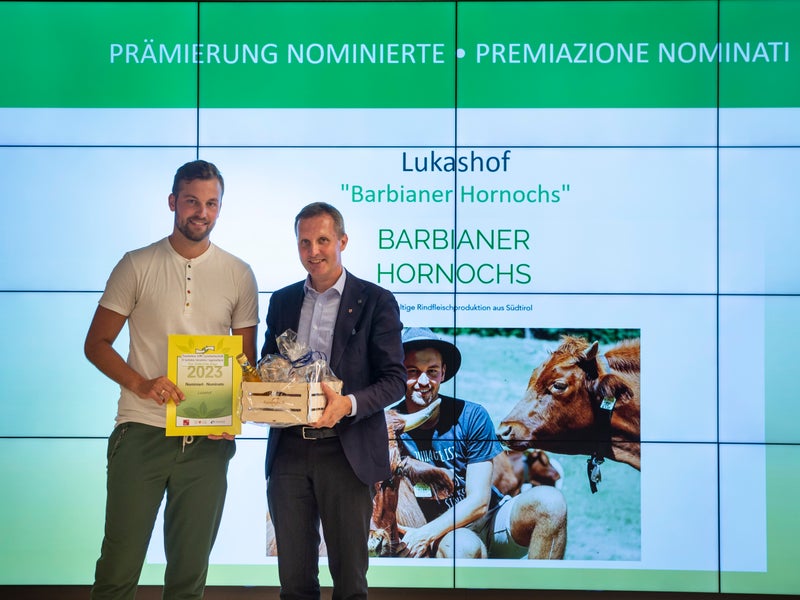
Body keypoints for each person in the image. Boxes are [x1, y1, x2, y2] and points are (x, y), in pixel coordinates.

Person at [84, 159, 259, 599]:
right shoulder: (136, 264)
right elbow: (96, 344)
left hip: (207, 442)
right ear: (172, 202)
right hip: (141, 431)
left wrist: (232, 415)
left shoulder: (239, 273)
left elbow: (246, 365)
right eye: (192, 202)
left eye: (212, 203)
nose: (202, 212)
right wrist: (142, 384)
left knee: (189, 577)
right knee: (117, 570)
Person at [261, 202, 406, 600]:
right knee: (294, 584)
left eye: (323, 240)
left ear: (343, 241)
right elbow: (267, 367)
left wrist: (348, 404)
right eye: (304, 242)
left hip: (347, 453)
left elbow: (395, 381)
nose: (314, 251)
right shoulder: (282, 301)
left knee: (350, 584)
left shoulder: (376, 300)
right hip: (289, 451)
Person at [394, 327, 567, 559]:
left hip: (490, 520)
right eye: (413, 371)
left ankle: (542, 582)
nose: (423, 381)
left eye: (432, 371)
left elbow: (478, 502)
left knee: (551, 501)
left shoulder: (471, 415)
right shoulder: (388, 426)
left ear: (443, 373)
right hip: (445, 534)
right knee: (461, 545)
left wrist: (424, 535)